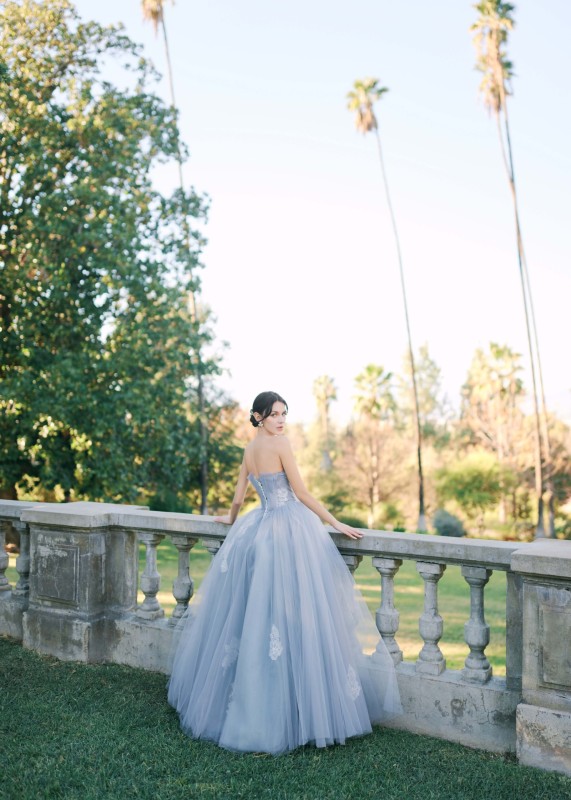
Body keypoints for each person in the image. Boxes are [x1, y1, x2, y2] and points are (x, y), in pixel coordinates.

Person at [167, 391, 402, 754]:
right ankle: (296, 707)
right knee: (296, 615)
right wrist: (336, 521)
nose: (281, 421)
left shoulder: (248, 450)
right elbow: (302, 493)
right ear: (259, 416)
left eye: (284, 415)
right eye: (275, 414)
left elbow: (238, 496)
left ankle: (261, 703)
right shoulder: (281, 445)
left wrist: (230, 520)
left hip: (257, 532)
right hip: (289, 531)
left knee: (260, 618)